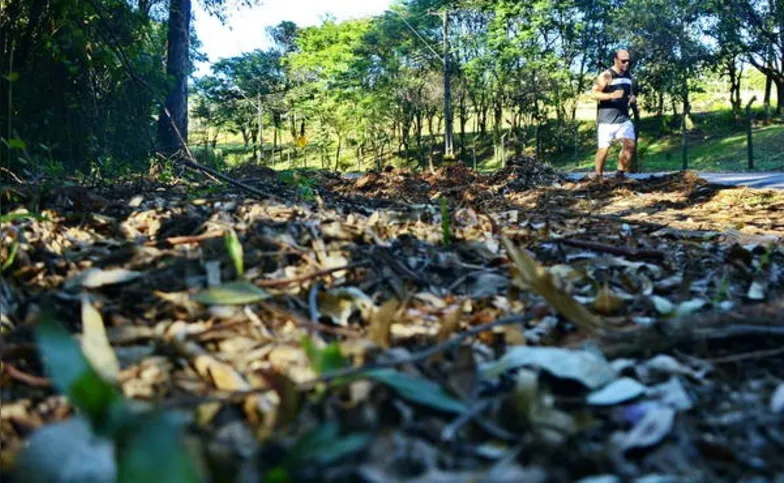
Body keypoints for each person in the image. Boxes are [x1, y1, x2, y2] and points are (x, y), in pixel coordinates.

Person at [591, 49, 637, 180]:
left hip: (623, 118)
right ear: (615, 60)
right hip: (607, 120)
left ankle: (619, 174)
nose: (626, 63)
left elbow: (629, 94)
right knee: (603, 149)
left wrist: (632, 98)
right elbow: (594, 94)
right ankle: (598, 176)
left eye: (629, 61)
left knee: (630, 144)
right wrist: (611, 95)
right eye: (623, 61)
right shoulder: (606, 75)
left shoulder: (629, 76)